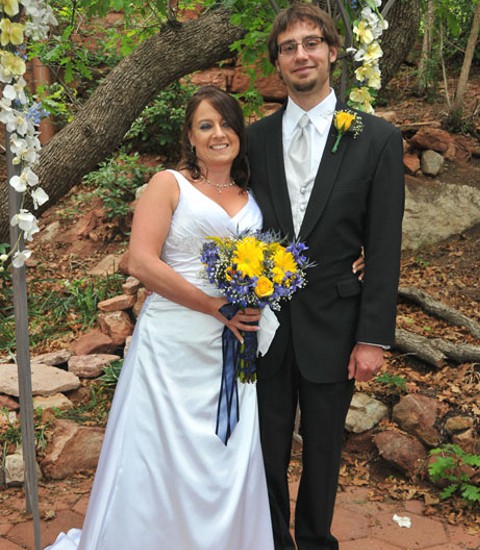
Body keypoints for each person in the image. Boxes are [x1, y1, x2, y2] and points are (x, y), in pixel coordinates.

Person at [45, 86, 274, 549]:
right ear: (189, 136)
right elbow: (141, 262)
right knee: (160, 456)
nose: (218, 134)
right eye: (205, 125)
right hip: (173, 345)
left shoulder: (253, 192)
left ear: (239, 132)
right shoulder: (169, 184)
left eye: (226, 123)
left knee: (223, 457)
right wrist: (213, 306)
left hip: (231, 347)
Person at [247, 4, 405, 549]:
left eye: (311, 43)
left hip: (337, 323)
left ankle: (315, 541)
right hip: (263, 327)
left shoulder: (377, 139)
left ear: (333, 53)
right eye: (289, 48)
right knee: (263, 446)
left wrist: (372, 336)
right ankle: (271, 540)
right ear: (279, 63)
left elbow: (384, 246)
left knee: (322, 449)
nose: (301, 55)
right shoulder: (255, 140)